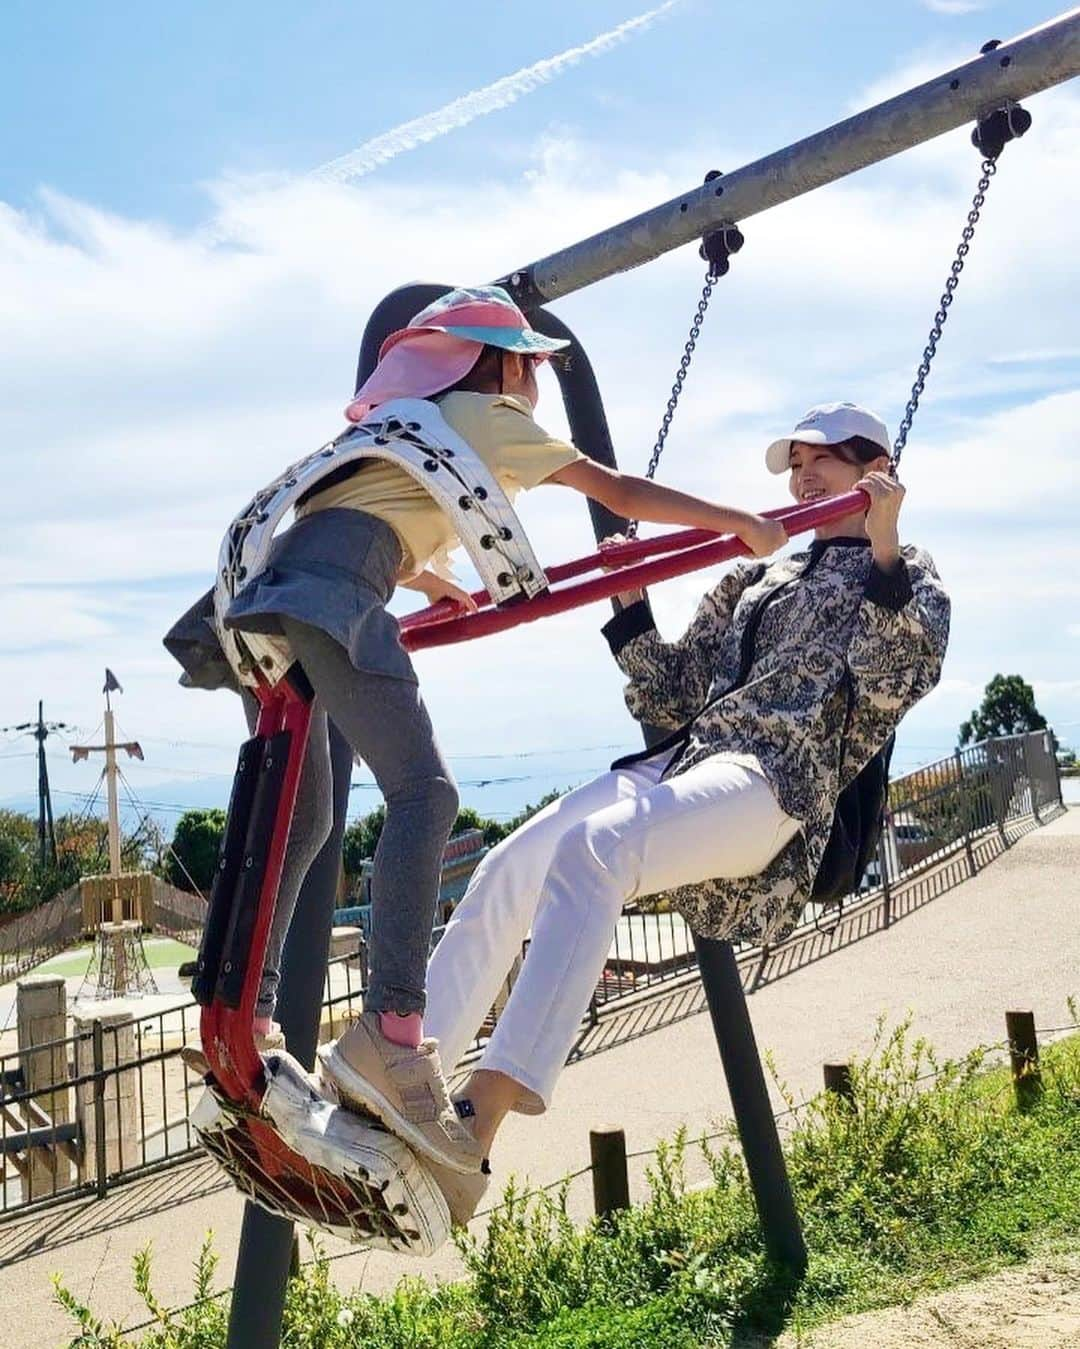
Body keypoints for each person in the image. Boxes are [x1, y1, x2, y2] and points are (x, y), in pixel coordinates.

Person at [171, 285, 787, 1184]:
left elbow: (357, 517)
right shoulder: (488, 416)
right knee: (427, 795)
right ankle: (391, 1031)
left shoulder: (404, 427)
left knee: (300, 826)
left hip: (260, 602)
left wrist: (424, 582)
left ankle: (241, 1011)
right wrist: (732, 522)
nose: (534, 382)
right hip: (330, 597)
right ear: (497, 362)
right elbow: (613, 490)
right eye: (531, 364)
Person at [404, 400, 950, 1222]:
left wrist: (880, 542)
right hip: (687, 761)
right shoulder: (760, 574)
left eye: (822, 460)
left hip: (779, 780)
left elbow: (889, 677)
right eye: (795, 463)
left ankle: (476, 1120)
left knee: (594, 847)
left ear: (874, 466)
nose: (803, 477)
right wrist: (629, 598)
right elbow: (674, 688)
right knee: (508, 866)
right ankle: (406, 1087)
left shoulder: (909, 574)